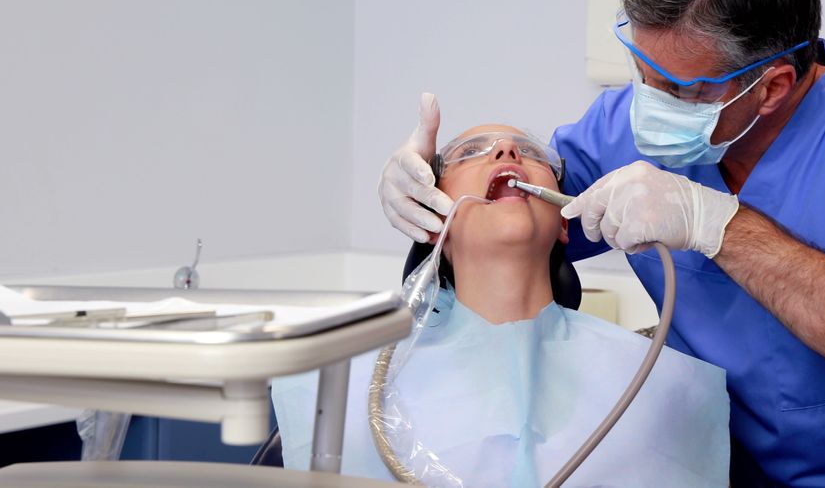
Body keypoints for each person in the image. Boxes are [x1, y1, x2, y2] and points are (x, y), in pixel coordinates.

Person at [377, 0, 825, 485]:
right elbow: (541, 209)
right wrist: (422, 186)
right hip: (716, 466)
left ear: (772, 86)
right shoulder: (624, 126)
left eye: (676, 88)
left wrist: (716, 224)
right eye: (641, 70)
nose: (645, 103)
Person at [277, 125, 731, 486]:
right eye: (471, 150)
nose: (508, 152)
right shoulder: (338, 389)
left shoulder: (666, 390)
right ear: (433, 220)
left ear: (563, 226)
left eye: (532, 153)